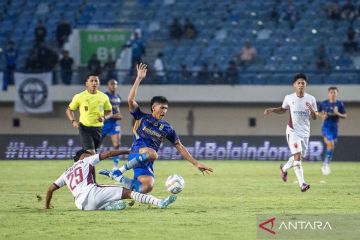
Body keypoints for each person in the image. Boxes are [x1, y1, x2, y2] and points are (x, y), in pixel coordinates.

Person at [99, 63, 213, 194]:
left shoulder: (167, 128)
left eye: (166, 108)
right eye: (161, 107)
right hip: (137, 152)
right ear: (153, 107)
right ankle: (120, 170)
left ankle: (117, 178)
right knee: (153, 153)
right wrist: (139, 78)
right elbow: (131, 100)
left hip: (147, 161)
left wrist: (196, 163)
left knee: (146, 187)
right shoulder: (141, 117)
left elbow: (179, 146)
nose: (164, 110)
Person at [45, 149, 177, 210]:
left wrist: (47, 206)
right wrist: (127, 152)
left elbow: (50, 189)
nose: (93, 154)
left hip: (80, 205)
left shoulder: (66, 173)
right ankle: (159, 202)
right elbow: (108, 154)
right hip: (91, 194)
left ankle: (110, 206)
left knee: (101, 188)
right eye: (90, 153)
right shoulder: (86, 160)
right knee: (128, 192)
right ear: (83, 155)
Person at [264, 73, 317, 192]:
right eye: (298, 83)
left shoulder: (311, 99)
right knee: (297, 157)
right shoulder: (289, 97)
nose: (301, 85)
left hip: (305, 132)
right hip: (292, 131)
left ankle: (284, 168)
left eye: (303, 83)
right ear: (294, 85)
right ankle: (302, 184)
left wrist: (313, 110)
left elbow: (314, 117)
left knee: (298, 158)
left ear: (306, 85)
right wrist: (272, 110)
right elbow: (283, 110)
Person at [66, 74, 112, 155]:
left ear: (99, 83)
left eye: (96, 81)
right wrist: (73, 121)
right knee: (92, 153)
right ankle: (86, 165)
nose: (94, 83)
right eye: (91, 81)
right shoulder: (79, 96)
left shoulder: (104, 97)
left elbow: (110, 112)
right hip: (84, 127)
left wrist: (104, 118)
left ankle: (77, 160)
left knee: (88, 153)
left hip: (98, 128)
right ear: (86, 83)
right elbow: (69, 110)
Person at [318, 87, 347, 175]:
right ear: (328, 93)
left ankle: (325, 164)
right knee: (331, 144)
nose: (333, 94)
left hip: (335, 127)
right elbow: (317, 112)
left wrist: (337, 113)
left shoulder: (340, 104)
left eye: (334, 92)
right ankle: (326, 165)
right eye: (331, 92)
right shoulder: (324, 103)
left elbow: (345, 116)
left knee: (331, 146)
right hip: (326, 126)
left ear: (337, 94)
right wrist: (322, 116)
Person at [101, 79, 123, 169]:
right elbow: (101, 110)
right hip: (105, 122)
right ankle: (87, 162)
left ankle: (115, 166)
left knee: (117, 145)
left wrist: (119, 115)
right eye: (111, 84)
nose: (113, 85)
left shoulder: (118, 97)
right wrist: (111, 116)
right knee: (94, 144)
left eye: (115, 84)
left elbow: (117, 109)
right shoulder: (105, 96)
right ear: (108, 85)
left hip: (114, 123)